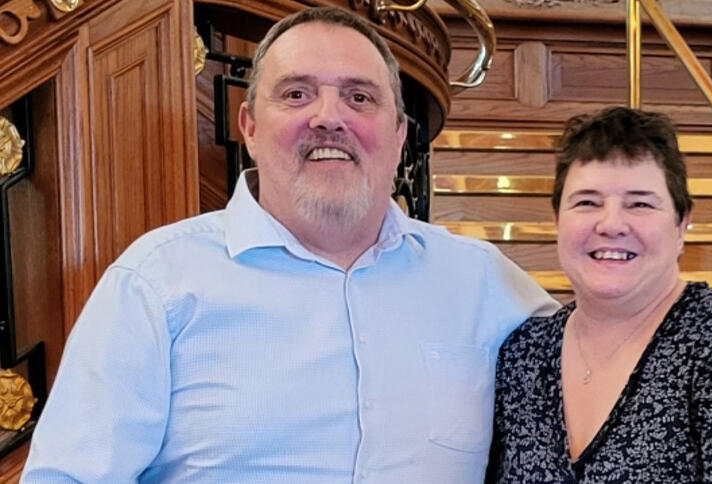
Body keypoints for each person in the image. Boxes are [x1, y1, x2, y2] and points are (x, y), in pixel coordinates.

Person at [21, 7, 558, 483]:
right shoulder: (155, 285)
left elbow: (608, 361)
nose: (328, 117)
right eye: (297, 94)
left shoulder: (481, 279)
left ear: (398, 136)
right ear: (249, 127)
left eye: (359, 97)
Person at [486, 107, 712, 483]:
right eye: (587, 202)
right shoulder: (524, 353)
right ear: (557, 220)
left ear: (681, 224)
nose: (611, 224)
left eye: (640, 203)